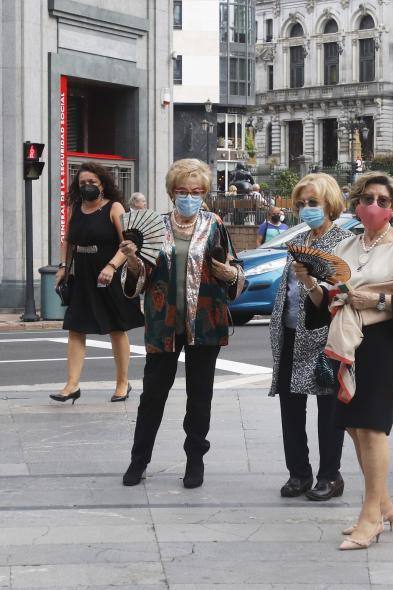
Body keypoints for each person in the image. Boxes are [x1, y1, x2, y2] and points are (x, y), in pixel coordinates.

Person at [300, 171, 393, 550]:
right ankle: (383, 503)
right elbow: (328, 301)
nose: (374, 206)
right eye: (368, 199)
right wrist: (309, 282)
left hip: (387, 340)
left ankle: (370, 516)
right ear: (356, 204)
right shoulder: (346, 246)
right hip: (349, 339)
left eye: (383, 201)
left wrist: (377, 299)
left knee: (371, 425)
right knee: (353, 424)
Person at [119, 158, 244, 488]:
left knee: (199, 397)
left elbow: (235, 268)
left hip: (206, 322)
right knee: (152, 396)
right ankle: (139, 459)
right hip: (163, 322)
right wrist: (132, 260)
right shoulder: (155, 226)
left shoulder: (214, 224)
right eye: (183, 191)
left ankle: (195, 460)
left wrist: (228, 273)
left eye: (197, 191)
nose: (190, 197)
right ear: (172, 192)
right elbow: (139, 280)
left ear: (204, 193)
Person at [269, 173, 352, 501]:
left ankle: (330, 475)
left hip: (325, 337)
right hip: (291, 332)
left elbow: (343, 291)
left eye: (313, 202)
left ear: (329, 204)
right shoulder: (300, 239)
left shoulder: (344, 241)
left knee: (329, 409)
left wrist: (310, 282)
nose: (306, 209)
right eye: (301, 203)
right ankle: (298, 473)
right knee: (290, 407)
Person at [51, 163, 144, 404]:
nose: (87, 186)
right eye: (82, 183)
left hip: (108, 274)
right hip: (82, 274)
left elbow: (128, 244)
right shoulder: (76, 208)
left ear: (103, 184)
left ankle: (122, 383)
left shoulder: (114, 207)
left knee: (116, 327)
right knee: (76, 327)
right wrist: (63, 267)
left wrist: (112, 266)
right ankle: (72, 384)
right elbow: (68, 241)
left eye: (92, 182)